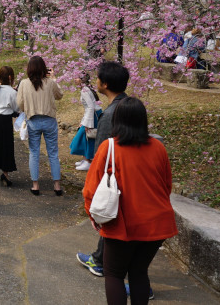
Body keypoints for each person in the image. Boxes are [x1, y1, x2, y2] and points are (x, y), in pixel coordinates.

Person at [83, 97, 177, 304]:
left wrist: (93, 214)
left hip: (122, 223)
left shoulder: (109, 147)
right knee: (139, 272)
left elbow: (91, 188)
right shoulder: (158, 148)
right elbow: (166, 185)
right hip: (156, 222)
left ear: (117, 120)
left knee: (114, 273)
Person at [77, 60, 129, 278]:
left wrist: (95, 181)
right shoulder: (130, 105)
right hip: (128, 172)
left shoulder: (110, 115)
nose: (95, 80)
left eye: (98, 78)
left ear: (105, 84)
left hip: (114, 175)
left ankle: (100, 261)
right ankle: (100, 258)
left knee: (109, 216)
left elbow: (102, 153)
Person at [16, 56, 64, 196]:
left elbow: (19, 103)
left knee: (34, 152)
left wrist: (28, 109)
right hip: (49, 120)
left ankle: (35, 185)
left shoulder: (24, 83)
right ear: (44, 68)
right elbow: (60, 95)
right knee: (53, 153)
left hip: (33, 120)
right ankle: (57, 185)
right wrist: (54, 78)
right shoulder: (49, 83)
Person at [71, 73, 101, 172]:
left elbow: (90, 107)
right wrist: (83, 121)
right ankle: (85, 159)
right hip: (92, 115)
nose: (75, 79)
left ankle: (88, 161)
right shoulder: (86, 89)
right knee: (85, 137)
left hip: (93, 116)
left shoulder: (85, 90)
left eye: (77, 77)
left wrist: (87, 123)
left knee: (88, 137)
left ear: (83, 79)